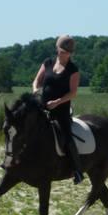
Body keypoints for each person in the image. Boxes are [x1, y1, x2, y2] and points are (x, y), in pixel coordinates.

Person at [32, 35, 84, 184]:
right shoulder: (47, 62)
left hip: (61, 110)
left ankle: (77, 169)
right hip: (42, 106)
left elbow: (73, 93)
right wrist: (35, 89)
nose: (64, 54)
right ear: (57, 49)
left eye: (67, 52)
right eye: (62, 51)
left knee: (66, 136)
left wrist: (58, 102)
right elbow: (37, 80)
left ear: (71, 53)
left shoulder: (73, 70)